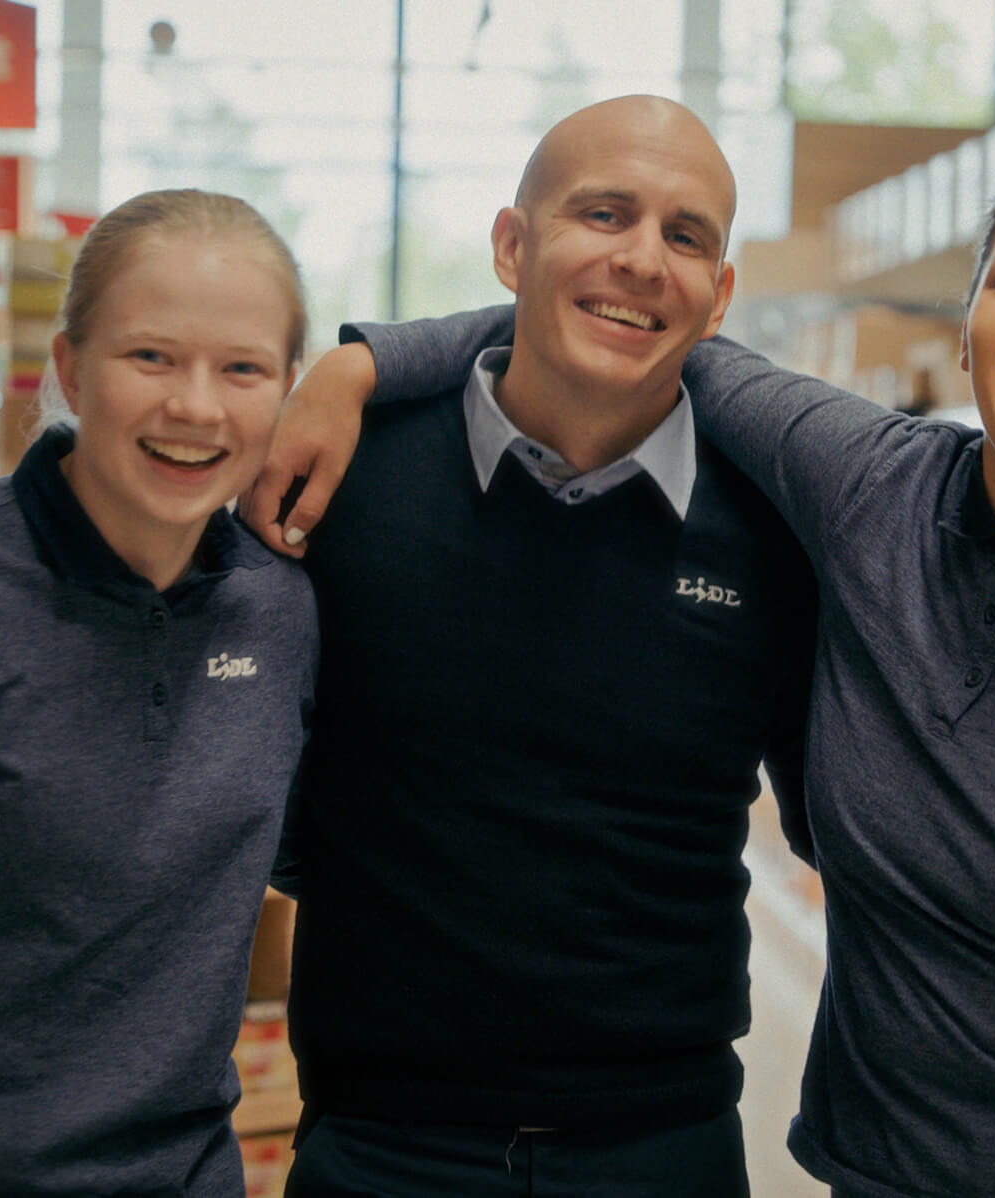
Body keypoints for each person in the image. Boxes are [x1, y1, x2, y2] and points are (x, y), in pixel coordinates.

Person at [264, 159, 995, 1196]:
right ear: (967, 328)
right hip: (869, 1173)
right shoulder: (870, 490)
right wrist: (363, 364)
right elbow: (627, 320)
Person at [243, 95, 815, 1197]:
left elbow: (830, 812)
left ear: (720, 295)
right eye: (604, 213)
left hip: (664, 1148)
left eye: (685, 234)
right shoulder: (347, 483)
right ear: (511, 245)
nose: (641, 259)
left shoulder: (774, 529)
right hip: (381, 1145)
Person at [0, 188, 317, 1197]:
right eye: (151, 356)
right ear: (71, 369)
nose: (197, 406)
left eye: (243, 369)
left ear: (288, 389)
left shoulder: (280, 612)